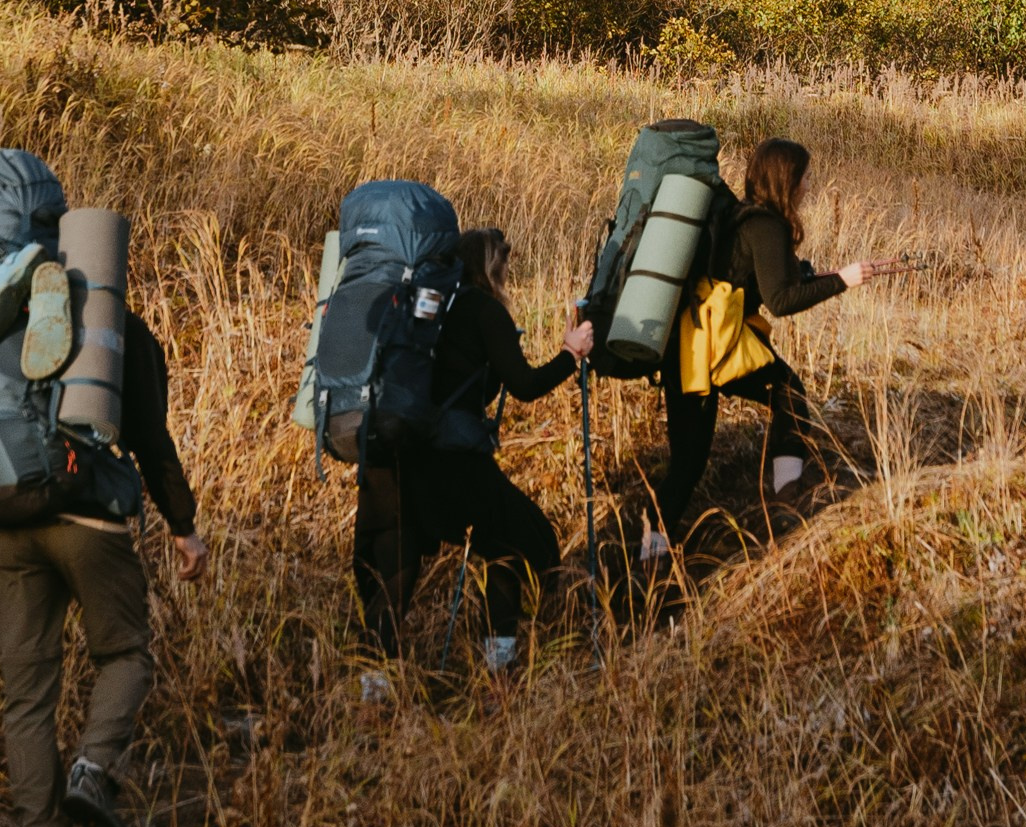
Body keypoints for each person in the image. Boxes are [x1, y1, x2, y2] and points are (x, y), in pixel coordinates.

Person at [0, 304, 206, 827]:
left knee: (26, 696)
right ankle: (93, 769)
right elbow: (150, 435)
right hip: (86, 513)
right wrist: (183, 526)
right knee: (126, 653)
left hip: (2, 521)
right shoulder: (109, 318)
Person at [353, 229, 593, 688]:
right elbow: (523, 385)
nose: (508, 275)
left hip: (392, 457)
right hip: (453, 463)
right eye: (504, 266)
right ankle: (499, 675)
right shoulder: (485, 311)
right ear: (491, 267)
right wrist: (570, 353)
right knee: (524, 545)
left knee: (393, 580)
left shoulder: (420, 308)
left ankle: (373, 699)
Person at [642, 137, 895, 561]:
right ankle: (787, 508)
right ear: (788, 180)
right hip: (711, 349)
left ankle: (649, 555)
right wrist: (843, 280)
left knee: (688, 461)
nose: (809, 185)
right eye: (804, 177)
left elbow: (769, 282)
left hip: (687, 345)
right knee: (788, 396)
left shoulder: (744, 217)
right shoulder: (767, 226)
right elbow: (782, 301)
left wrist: (827, 276)